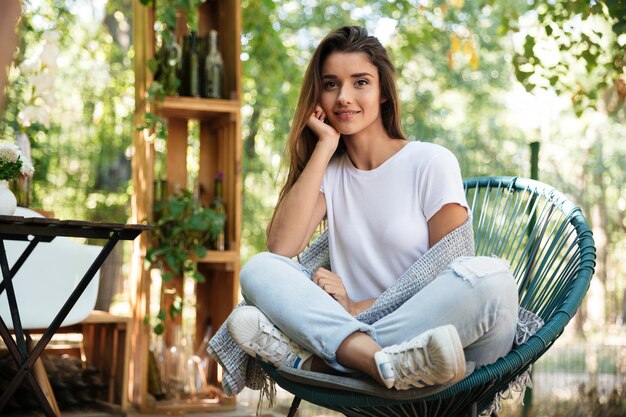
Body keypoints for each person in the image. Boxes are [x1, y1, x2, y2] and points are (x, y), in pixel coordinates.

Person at [223, 26, 518, 391]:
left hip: (428, 330)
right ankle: (378, 364)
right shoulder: (330, 175)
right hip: (406, 355)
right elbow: (281, 247)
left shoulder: (430, 162)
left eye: (360, 82)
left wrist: (357, 308)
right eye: (331, 85)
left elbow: (449, 271)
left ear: (382, 93)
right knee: (260, 269)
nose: (344, 97)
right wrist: (325, 146)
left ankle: (324, 362)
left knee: (491, 280)